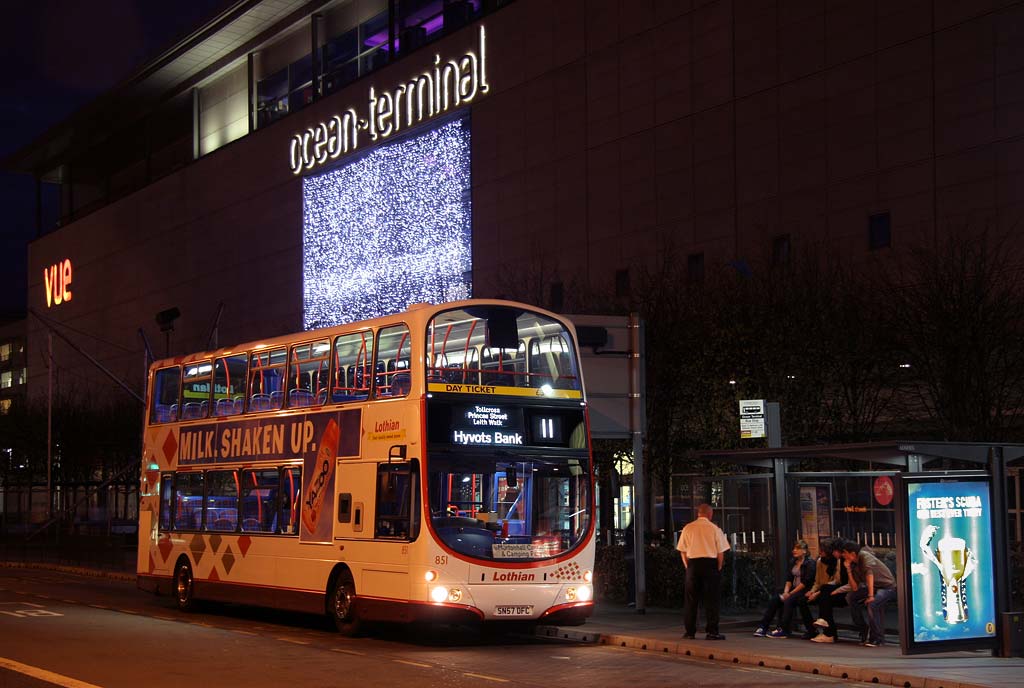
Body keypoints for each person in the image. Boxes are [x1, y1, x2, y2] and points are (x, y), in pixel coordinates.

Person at [676, 503, 731, 640]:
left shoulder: (688, 528)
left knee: (691, 600)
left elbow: (682, 551)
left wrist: (688, 566)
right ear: (710, 514)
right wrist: (718, 567)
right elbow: (720, 552)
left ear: (698, 513)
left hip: (693, 565)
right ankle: (712, 631)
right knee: (711, 600)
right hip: (710, 565)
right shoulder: (715, 529)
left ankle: (690, 632)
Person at [752, 540, 816, 638]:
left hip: (804, 590)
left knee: (789, 600)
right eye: (794, 548)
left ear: (804, 551)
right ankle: (763, 627)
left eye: (797, 548)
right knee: (775, 599)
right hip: (793, 589)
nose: (794, 550)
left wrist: (790, 594)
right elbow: (789, 579)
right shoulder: (793, 562)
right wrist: (786, 591)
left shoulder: (810, 563)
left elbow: (805, 583)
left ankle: (783, 629)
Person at [840, 540, 897, 647]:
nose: (843, 556)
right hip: (873, 587)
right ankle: (862, 627)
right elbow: (855, 587)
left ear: (852, 553)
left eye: (844, 553)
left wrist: (870, 596)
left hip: (887, 586)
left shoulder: (864, 556)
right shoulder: (852, 564)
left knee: (873, 604)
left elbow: (869, 575)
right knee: (851, 597)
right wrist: (848, 570)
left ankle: (877, 638)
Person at [805, 537, 850, 643]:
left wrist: (819, 592)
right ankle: (823, 629)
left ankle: (829, 631)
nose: (820, 553)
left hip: (845, 591)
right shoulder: (822, 562)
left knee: (825, 596)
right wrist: (814, 591)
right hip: (833, 589)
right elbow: (822, 581)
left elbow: (841, 581)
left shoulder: (840, 561)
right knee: (810, 597)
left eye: (822, 550)